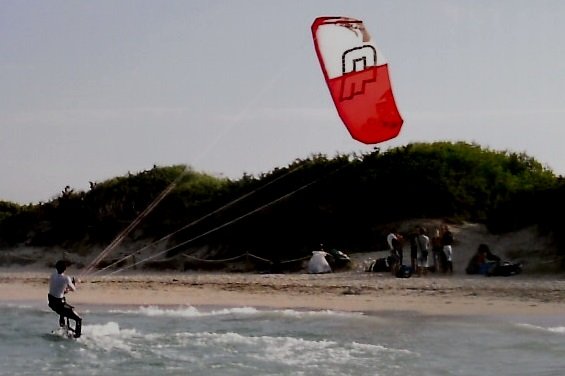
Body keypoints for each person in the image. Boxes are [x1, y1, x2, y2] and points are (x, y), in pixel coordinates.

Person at [48, 260, 82, 338]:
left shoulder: (52, 275)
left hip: (52, 303)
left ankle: (63, 328)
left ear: (56, 267)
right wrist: (75, 283)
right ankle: (77, 336)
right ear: (65, 269)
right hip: (59, 305)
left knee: (64, 309)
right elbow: (73, 289)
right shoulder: (66, 278)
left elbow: (59, 290)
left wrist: (67, 288)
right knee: (79, 319)